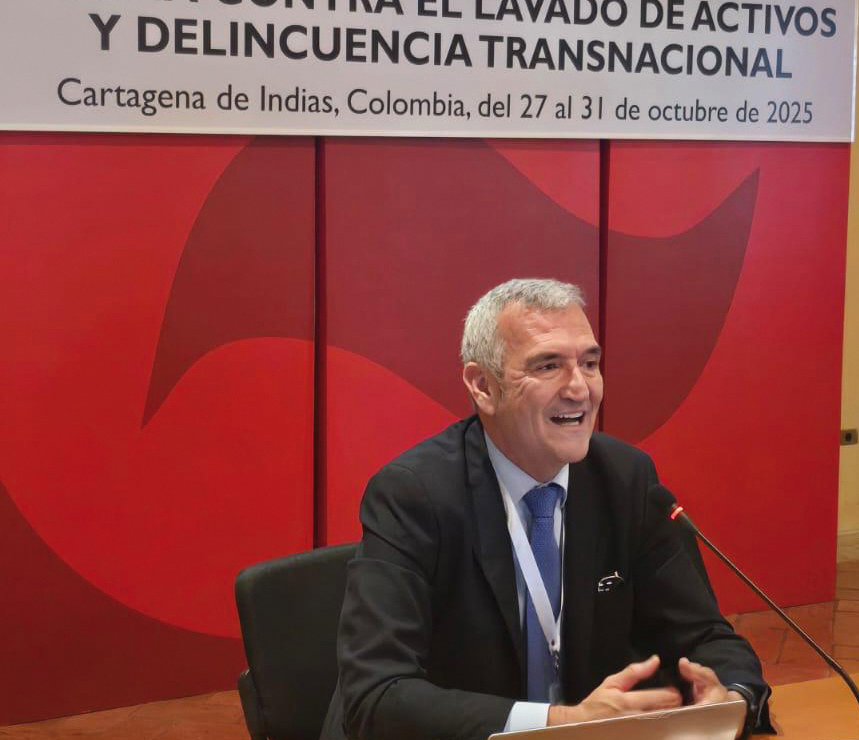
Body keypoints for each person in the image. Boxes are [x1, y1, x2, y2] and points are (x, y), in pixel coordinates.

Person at [321, 279, 770, 740]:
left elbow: (706, 638)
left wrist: (732, 698)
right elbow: (377, 695)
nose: (580, 389)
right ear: (483, 386)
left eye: (590, 364)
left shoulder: (626, 479)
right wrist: (560, 723)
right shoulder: (414, 495)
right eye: (548, 365)